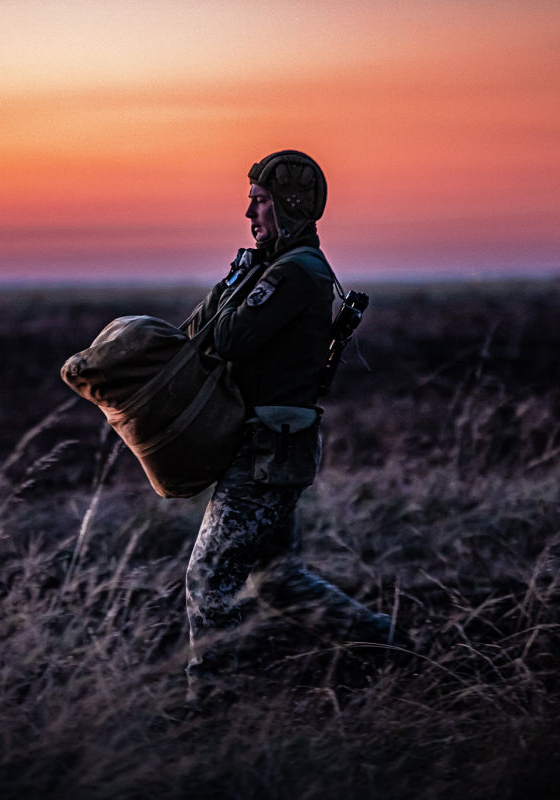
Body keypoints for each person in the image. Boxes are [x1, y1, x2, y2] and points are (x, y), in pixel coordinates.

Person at [182, 150, 405, 704]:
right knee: (279, 578)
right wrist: (241, 275)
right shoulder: (275, 268)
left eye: (258, 201)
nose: (249, 213)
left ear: (288, 206)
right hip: (268, 446)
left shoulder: (296, 274)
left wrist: (241, 279)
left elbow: (226, 339)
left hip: (268, 451)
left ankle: (209, 703)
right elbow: (194, 333)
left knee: (209, 575)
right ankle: (385, 644)